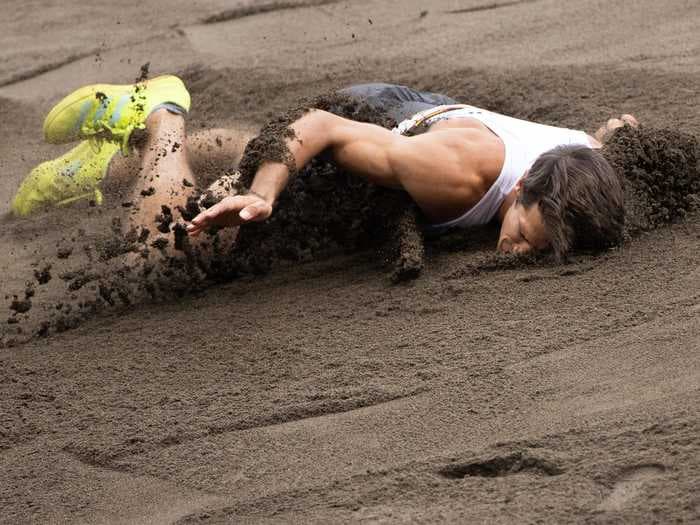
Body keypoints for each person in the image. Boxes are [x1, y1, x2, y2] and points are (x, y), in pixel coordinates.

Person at [11, 76, 634, 258]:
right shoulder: (458, 176)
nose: (519, 253)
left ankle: (108, 163)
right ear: (521, 187)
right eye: (523, 235)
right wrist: (264, 195)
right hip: (374, 119)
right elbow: (323, 127)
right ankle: (160, 115)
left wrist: (613, 134)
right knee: (172, 244)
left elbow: (614, 142)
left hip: (424, 118)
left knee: (234, 146)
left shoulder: (586, 167)